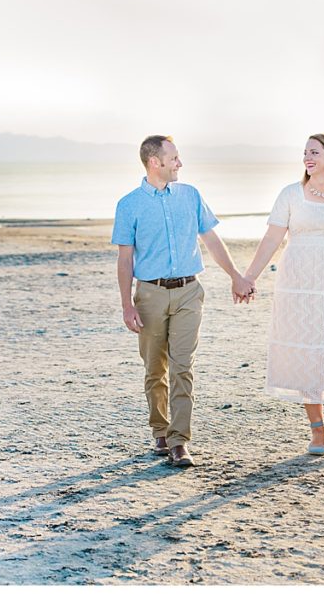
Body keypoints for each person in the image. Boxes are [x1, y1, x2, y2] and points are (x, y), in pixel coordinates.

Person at [113, 135, 254, 468]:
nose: (180, 163)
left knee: (182, 366)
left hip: (190, 291)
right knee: (154, 369)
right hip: (149, 294)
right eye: (174, 158)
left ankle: (179, 442)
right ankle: (159, 430)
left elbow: (212, 239)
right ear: (155, 162)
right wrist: (126, 305)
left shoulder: (190, 196)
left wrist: (236, 275)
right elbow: (124, 260)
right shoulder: (129, 205)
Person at [243, 133, 324, 455]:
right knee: (308, 355)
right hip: (297, 287)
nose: (307, 158)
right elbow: (271, 239)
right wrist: (248, 277)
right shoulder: (290, 195)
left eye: (314, 152)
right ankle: (316, 430)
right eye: (304, 153)